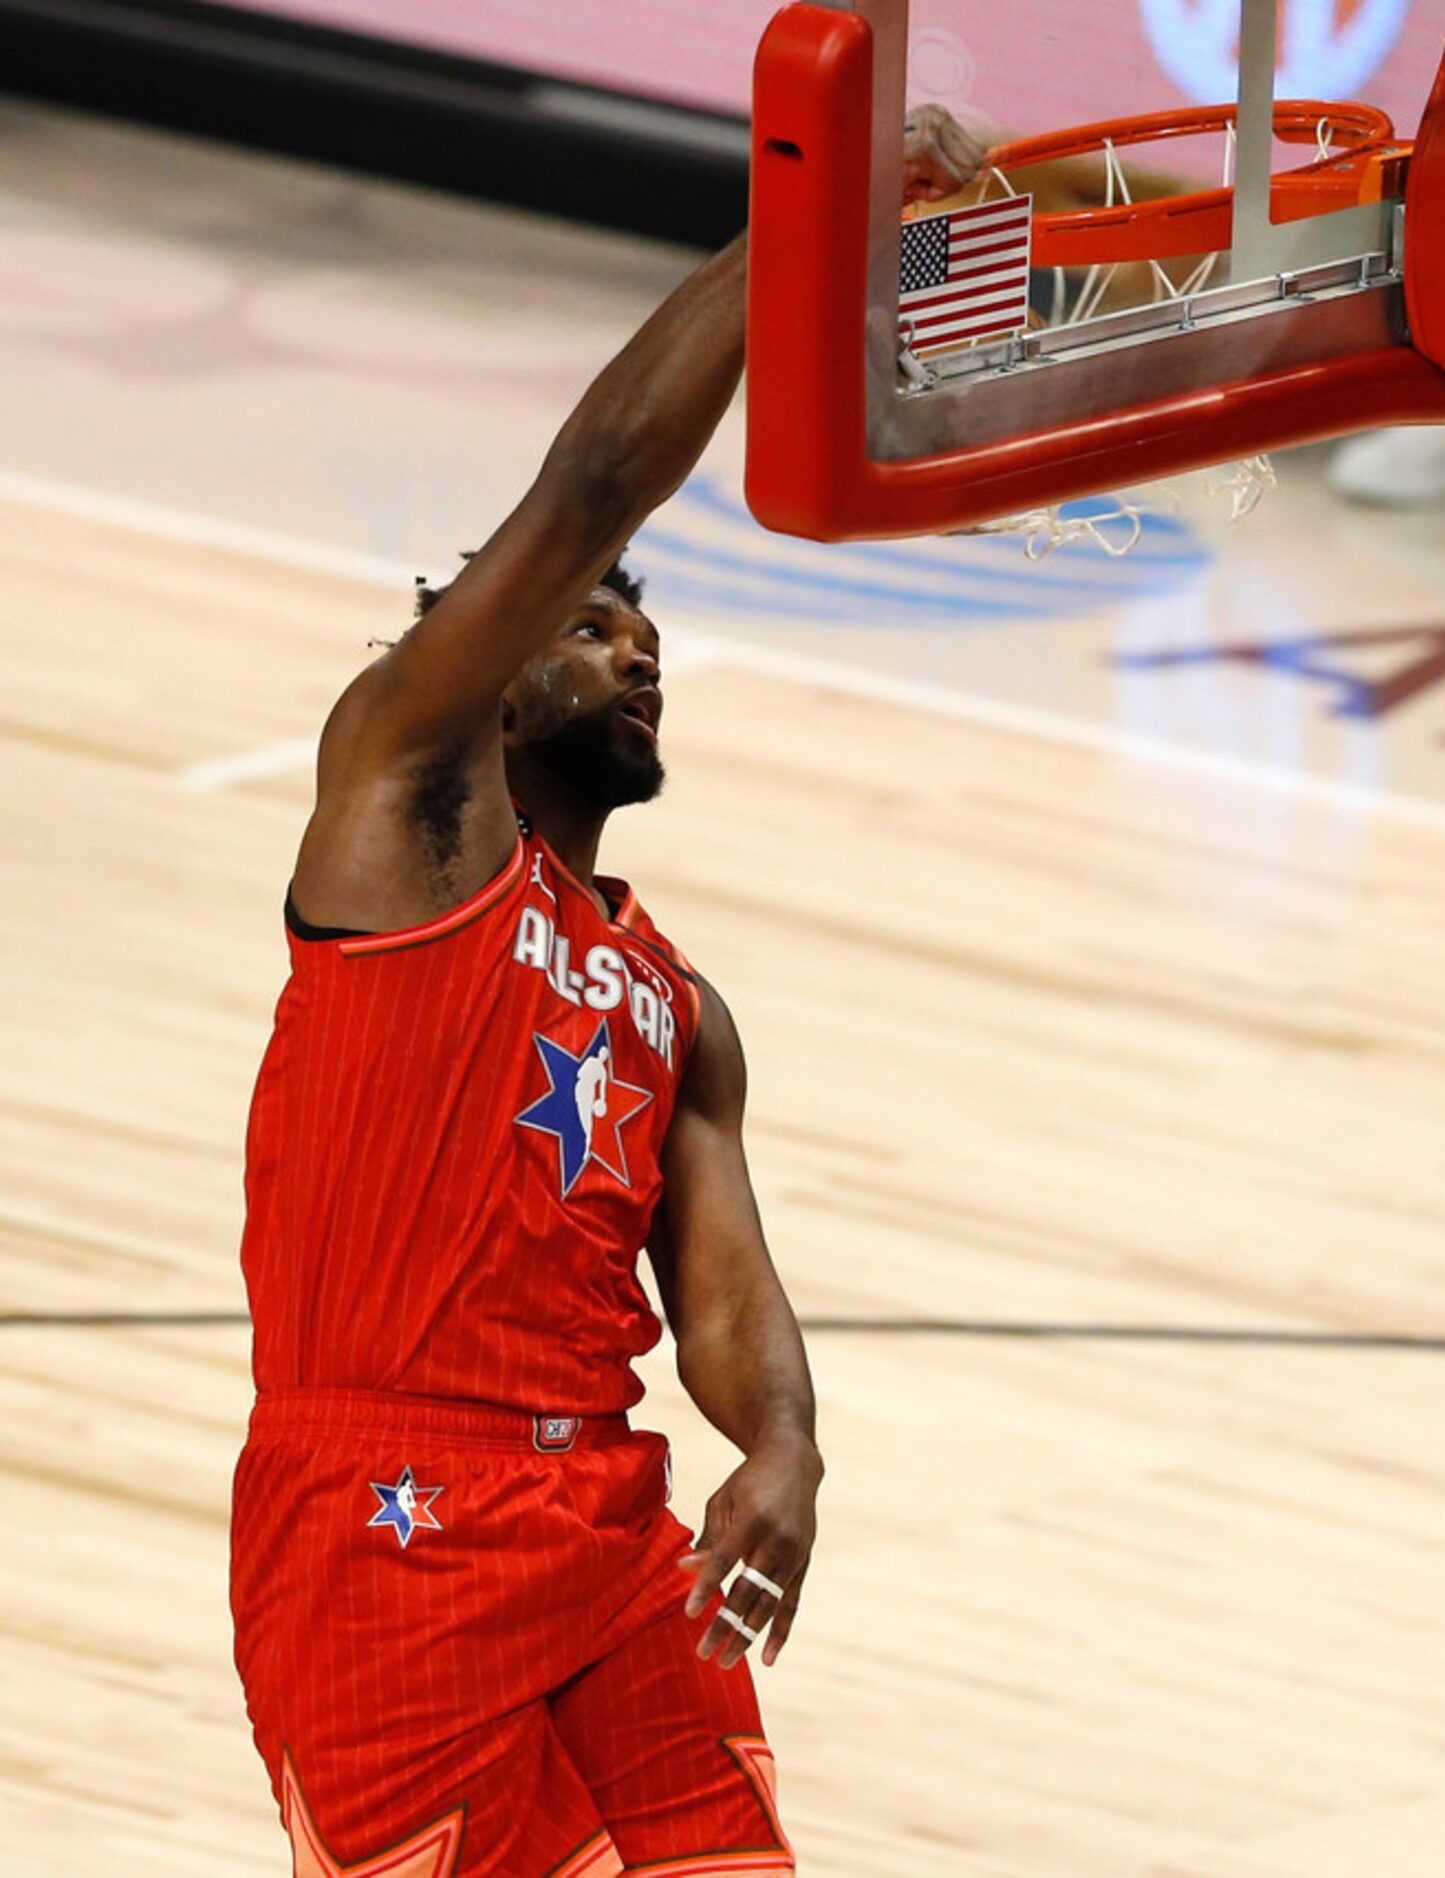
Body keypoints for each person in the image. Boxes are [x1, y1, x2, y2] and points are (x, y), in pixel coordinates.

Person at [229, 109, 988, 1874]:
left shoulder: (675, 1002)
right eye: (589, 627)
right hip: (385, 1512)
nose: (634, 648)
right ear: (481, 674)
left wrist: (785, 1446)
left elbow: (724, 1286)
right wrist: (811, 234)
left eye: (649, 637)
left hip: (600, 1509)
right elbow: (594, 487)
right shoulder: (399, 805)